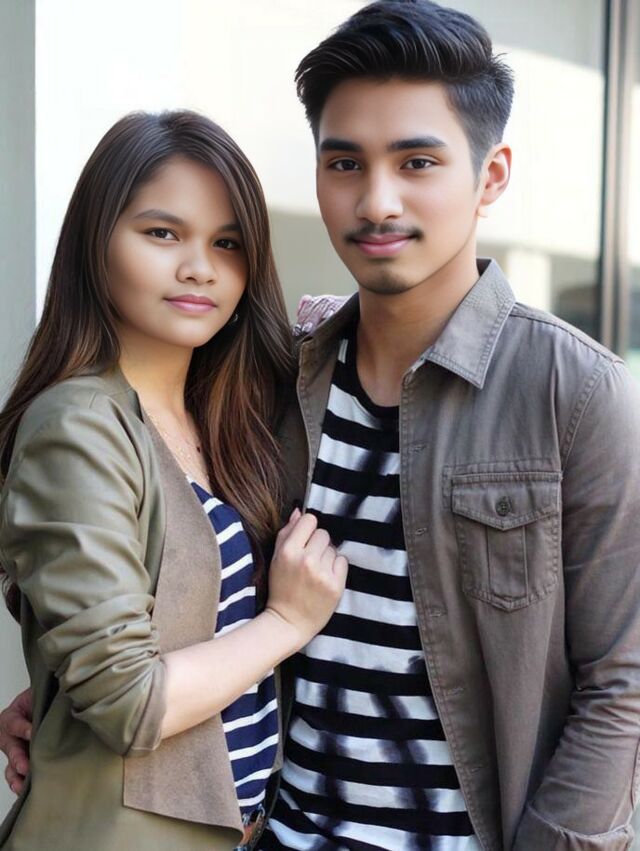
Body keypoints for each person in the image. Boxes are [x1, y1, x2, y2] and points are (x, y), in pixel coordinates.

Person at [4, 1, 640, 849]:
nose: (377, 200)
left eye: (417, 161)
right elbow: (193, 592)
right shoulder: (278, 382)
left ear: (490, 177)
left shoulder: (577, 392)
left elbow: (621, 683)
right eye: (345, 162)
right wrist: (59, 699)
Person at [0, 110, 347, 851]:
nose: (200, 268)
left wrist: (60, 690)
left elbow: (166, 625)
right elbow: (130, 703)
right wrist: (287, 623)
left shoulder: (225, 416)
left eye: (227, 243)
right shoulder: (78, 425)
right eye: (163, 233)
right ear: (97, 241)